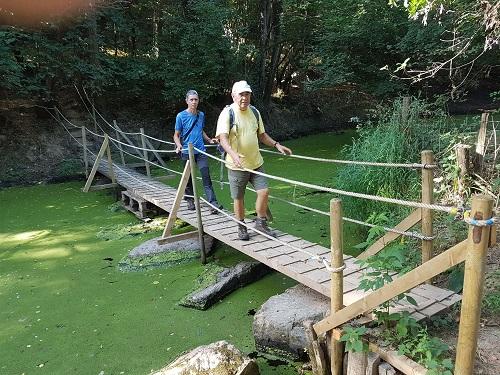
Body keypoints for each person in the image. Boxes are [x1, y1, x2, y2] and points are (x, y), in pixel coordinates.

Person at [215, 81, 292, 240]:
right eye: (241, 94)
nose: (244, 98)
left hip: (256, 163)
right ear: (234, 96)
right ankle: (241, 226)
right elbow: (223, 139)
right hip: (237, 165)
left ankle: (260, 224)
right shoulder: (227, 113)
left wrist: (277, 145)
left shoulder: (255, 112)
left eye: (247, 94)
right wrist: (233, 154)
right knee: (238, 198)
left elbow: (262, 135)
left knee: (264, 191)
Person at [173, 90, 222, 214]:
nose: (194, 102)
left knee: (206, 176)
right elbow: (176, 135)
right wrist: (178, 145)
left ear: (198, 100)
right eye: (191, 99)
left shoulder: (201, 115)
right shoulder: (181, 116)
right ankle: (189, 199)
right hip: (186, 151)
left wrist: (209, 140)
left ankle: (213, 203)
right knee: (188, 178)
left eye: (196, 99)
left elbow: (200, 130)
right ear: (187, 101)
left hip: (201, 151)